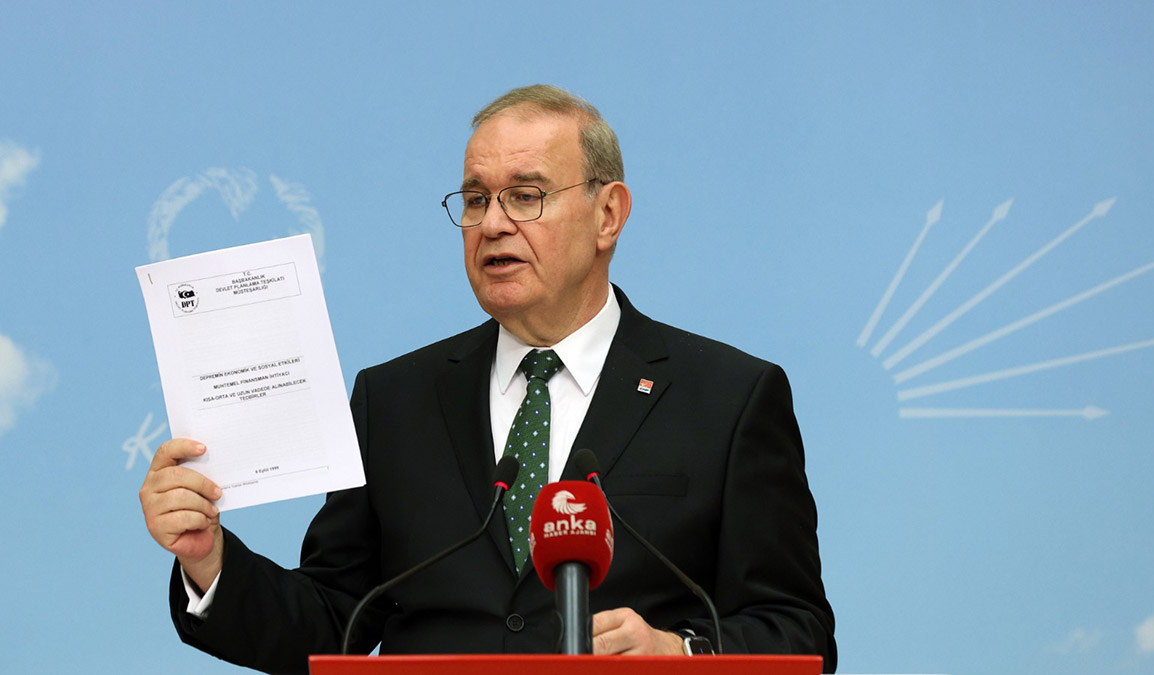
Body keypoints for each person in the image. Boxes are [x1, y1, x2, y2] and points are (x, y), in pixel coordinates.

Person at [140, 84, 836, 674]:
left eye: (525, 196)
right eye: (475, 200)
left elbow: (797, 628)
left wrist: (679, 651)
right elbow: (331, 622)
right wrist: (209, 561)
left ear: (608, 214)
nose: (493, 224)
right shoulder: (393, 400)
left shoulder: (729, 398)